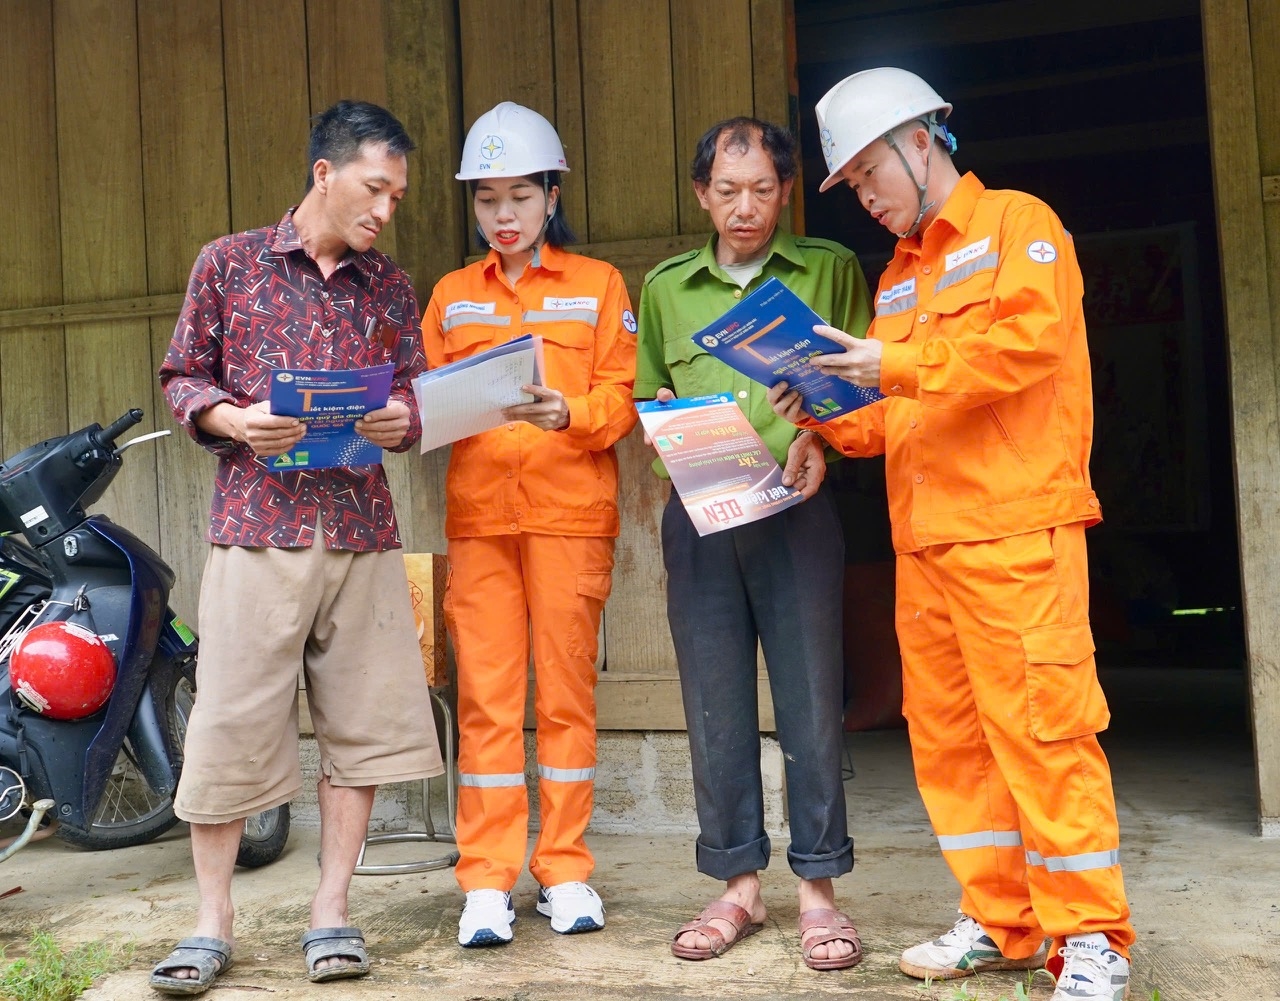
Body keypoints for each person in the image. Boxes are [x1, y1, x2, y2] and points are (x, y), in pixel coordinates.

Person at [768, 67, 1135, 1000]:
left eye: (867, 173)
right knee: (951, 742)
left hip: (1015, 530)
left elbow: (1026, 347)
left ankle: (1091, 936)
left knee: (1044, 732)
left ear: (919, 141)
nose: (863, 195)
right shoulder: (897, 277)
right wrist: (823, 424)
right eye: (850, 183)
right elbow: (899, 407)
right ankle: (1001, 919)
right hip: (926, 544)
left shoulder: (1019, 225)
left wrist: (890, 364)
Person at [153, 101, 443, 994]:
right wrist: (233, 418)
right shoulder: (229, 262)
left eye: (396, 197)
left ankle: (331, 909)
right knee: (228, 727)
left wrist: (403, 418)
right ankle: (212, 920)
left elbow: (418, 393)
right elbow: (182, 376)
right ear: (325, 172)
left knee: (361, 729)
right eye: (374, 188)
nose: (385, 210)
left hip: (360, 533)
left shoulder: (390, 287)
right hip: (256, 529)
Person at [634, 117, 872, 971]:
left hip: (797, 506)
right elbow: (648, 392)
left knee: (812, 695)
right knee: (715, 701)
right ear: (703, 193)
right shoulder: (665, 288)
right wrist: (666, 424)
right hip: (701, 510)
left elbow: (864, 388)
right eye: (728, 190)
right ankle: (737, 884)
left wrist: (821, 435)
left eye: (763, 189)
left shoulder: (829, 269)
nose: (745, 207)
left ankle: (818, 887)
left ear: (787, 191)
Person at [420, 102, 637, 948]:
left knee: (568, 698)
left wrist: (568, 413)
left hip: (568, 519)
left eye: (519, 195)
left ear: (552, 195)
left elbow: (621, 398)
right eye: (486, 199)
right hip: (481, 522)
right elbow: (423, 400)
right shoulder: (452, 296)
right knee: (486, 700)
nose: (503, 214)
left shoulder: (598, 284)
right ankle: (486, 881)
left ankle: (565, 869)